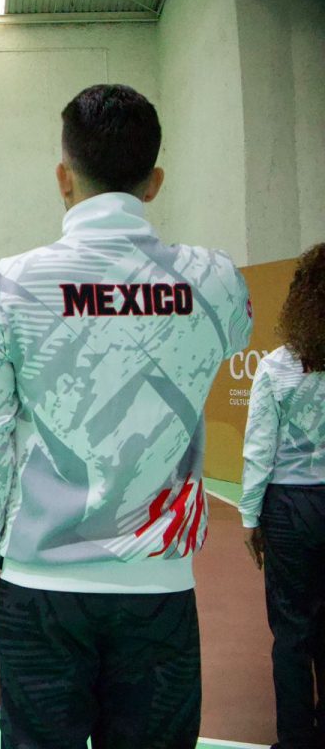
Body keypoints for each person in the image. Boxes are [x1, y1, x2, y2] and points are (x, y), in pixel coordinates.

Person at [0, 84, 252, 748]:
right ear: (154, 182)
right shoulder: (215, 280)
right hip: (160, 587)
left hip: (40, 586)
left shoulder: (9, 285)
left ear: (64, 178)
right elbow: (232, 339)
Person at [239, 243, 325, 749]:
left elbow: (259, 449)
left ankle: (295, 739)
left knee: (292, 628)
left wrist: (250, 517)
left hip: (291, 508)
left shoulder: (277, 366)